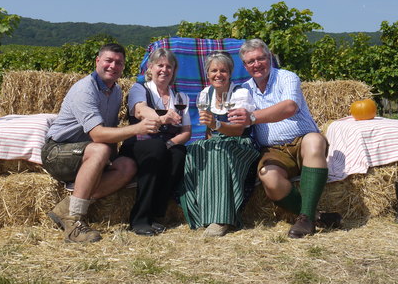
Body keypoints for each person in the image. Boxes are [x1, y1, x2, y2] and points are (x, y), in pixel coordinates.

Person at [41, 43, 161, 243]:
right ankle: (73, 223)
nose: (113, 66)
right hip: (57, 152)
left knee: (127, 166)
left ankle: (67, 207)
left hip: (87, 154)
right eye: (109, 60)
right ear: (97, 61)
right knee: (99, 149)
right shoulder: (84, 89)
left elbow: (110, 133)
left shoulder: (115, 92)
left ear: (123, 67)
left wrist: (114, 160)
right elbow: (98, 134)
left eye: (119, 63)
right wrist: (138, 129)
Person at [228, 39, 328, 238]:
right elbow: (237, 119)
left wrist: (253, 117)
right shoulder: (244, 90)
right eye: (250, 62)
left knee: (315, 141)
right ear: (245, 66)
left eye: (261, 58)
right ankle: (315, 216)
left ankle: (306, 219)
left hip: (302, 140)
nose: (256, 64)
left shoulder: (287, 77)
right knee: (269, 178)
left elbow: (290, 106)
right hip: (273, 150)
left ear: (269, 58)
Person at [179, 51, 259, 237]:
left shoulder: (240, 93)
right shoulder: (205, 94)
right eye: (214, 70)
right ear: (207, 74)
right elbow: (208, 133)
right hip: (217, 141)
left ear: (230, 73)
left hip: (241, 143)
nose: (218, 74)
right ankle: (200, 214)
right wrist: (208, 139)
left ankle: (221, 218)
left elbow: (239, 130)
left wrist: (216, 124)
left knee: (219, 151)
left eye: (223, 70)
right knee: (194, 150)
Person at [120, 48, 191, 236]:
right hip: (139, 141)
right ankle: (139, 218)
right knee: (156, 147)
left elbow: (186, 132)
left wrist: (170, 144)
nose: (164, 70)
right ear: (150, 68)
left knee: (178, 153)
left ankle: (155, 214)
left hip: (162, 145)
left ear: (174, 71)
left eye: (169, 66)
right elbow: (140, 110)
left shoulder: (181, 97)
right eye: (160, 65)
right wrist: (162, 118)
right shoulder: (139, 89)